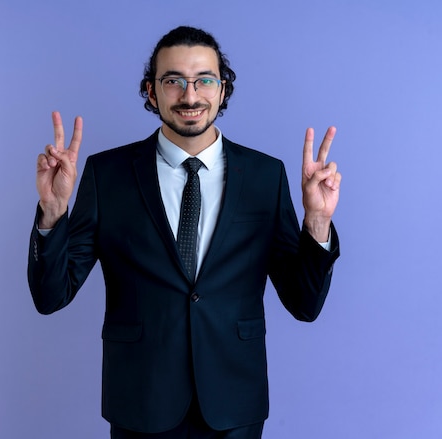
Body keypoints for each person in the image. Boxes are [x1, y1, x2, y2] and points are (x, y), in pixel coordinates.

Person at [28, 26, 341, 439]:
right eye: (173, 81)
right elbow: (51, 296)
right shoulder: (108, 175)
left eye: (204, 80)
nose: (190, 96)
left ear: (222, 90)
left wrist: (316, 222)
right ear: (152, 91)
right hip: (140, 400)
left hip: (235, 403)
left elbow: (305, 304)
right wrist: (53, 213)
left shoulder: (267, 176)